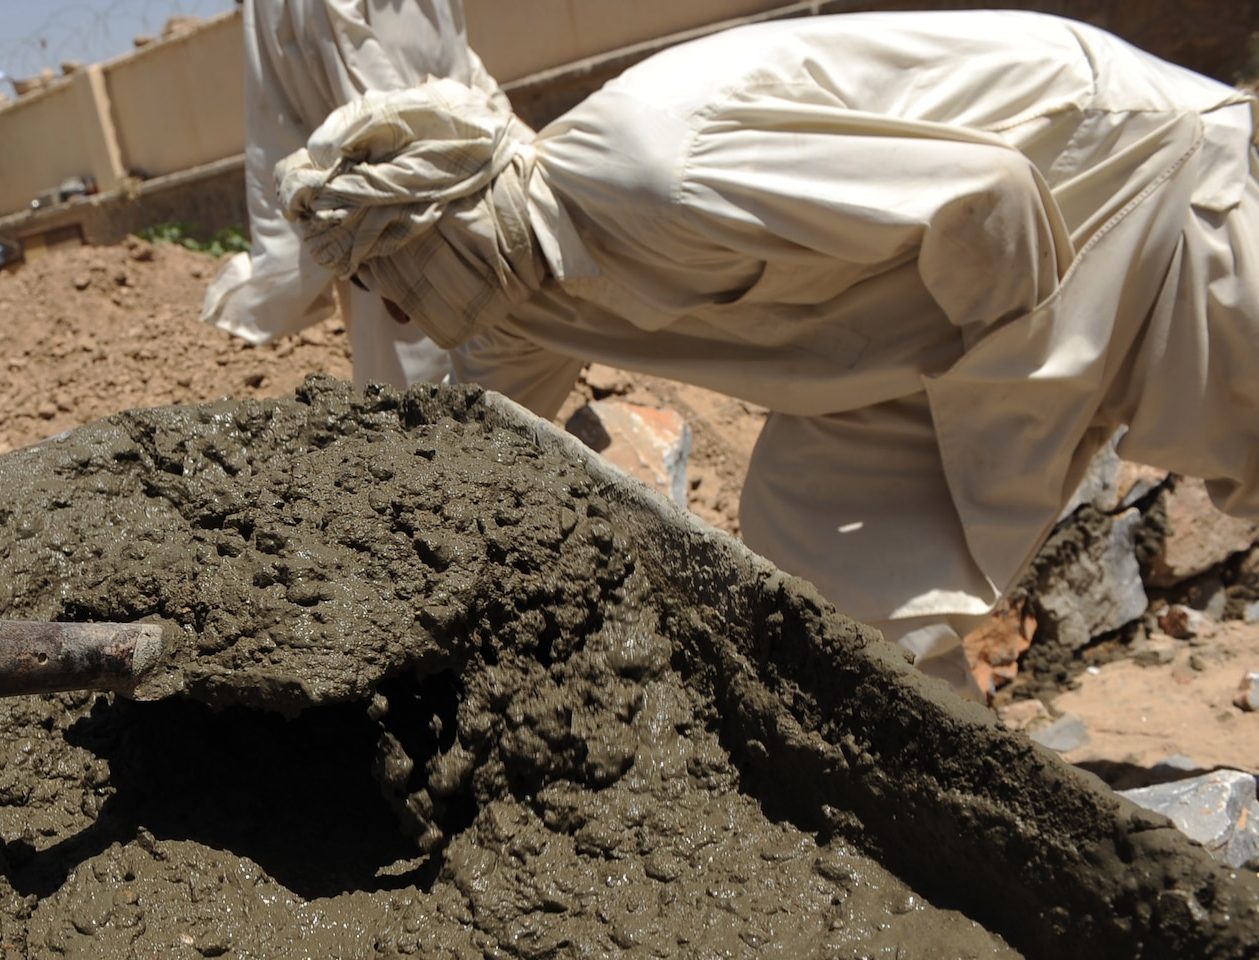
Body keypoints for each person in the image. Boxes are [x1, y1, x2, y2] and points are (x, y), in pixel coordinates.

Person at [275, 11, 1259, 697]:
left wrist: (1010, 427)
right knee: (815, 534)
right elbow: (482, 459)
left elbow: (989, 200)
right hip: (936, 312)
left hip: (1124, 193)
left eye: (381, 280)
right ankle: (940, 793)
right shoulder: (517, 301)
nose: (394, 318)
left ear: (436, 231)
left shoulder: (657, 172)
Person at [202, 0, 506, 389]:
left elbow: (454, 56)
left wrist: (505, 136)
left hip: (454, 183)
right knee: (422, 392)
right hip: (393, 209)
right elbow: (374, 115)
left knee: (477, 386)